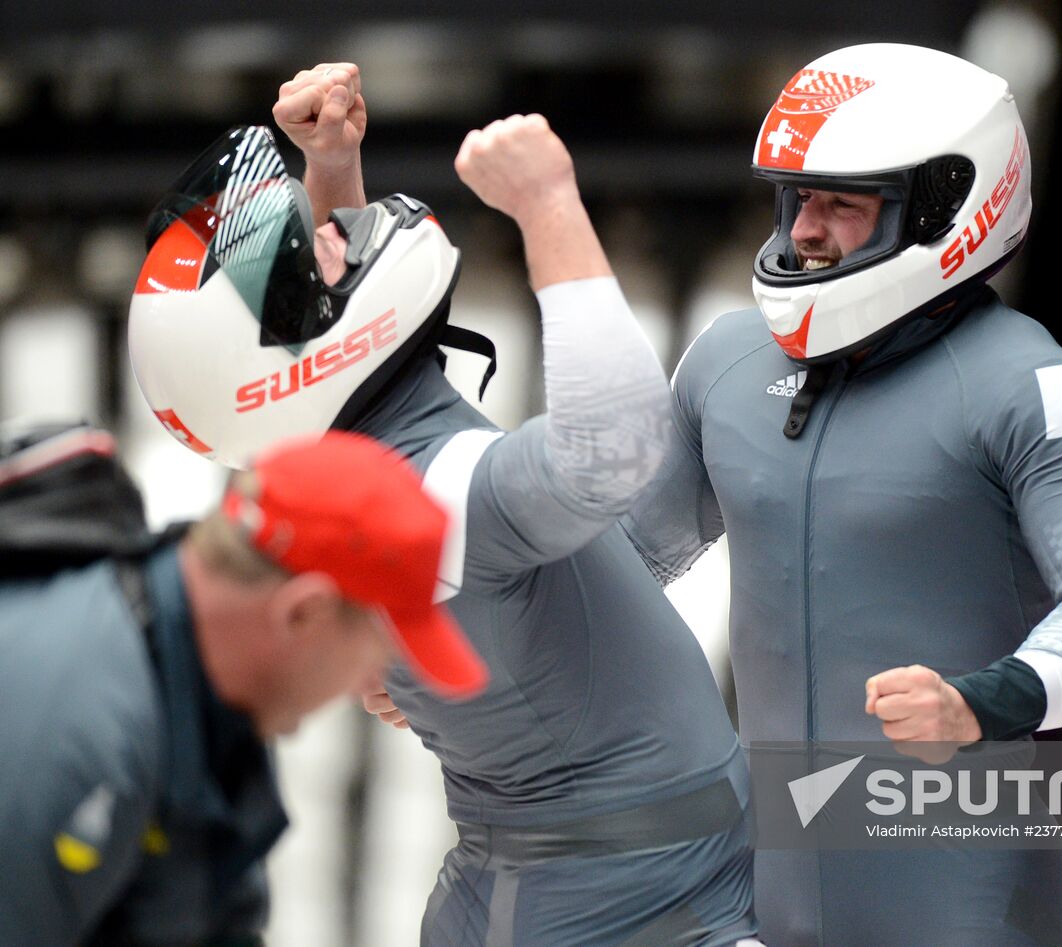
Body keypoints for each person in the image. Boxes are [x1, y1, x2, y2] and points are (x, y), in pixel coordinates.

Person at [126, 65, 756, 945]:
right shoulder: (434, 495)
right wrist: (547, 205)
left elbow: (311, 330)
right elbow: (608, 447)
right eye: (315, 247)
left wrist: (330, 159)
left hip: (602, 876)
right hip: (633, 906)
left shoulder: (360, 480)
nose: (336, 236)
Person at [622, 44, 1062, 946]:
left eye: (844, 203)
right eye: (797, 199)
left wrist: (981, 700)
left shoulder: (1039, 386)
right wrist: (465, 655)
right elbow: (625, 560)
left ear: (948, 205)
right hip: (766, 896)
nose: (803, 230)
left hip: (970, 900)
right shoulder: (722, 364)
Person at [0, 428, 487, 946]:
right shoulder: (77, 732)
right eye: (381, 651)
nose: (368, 688)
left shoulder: (202, 693)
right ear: (304, 613)